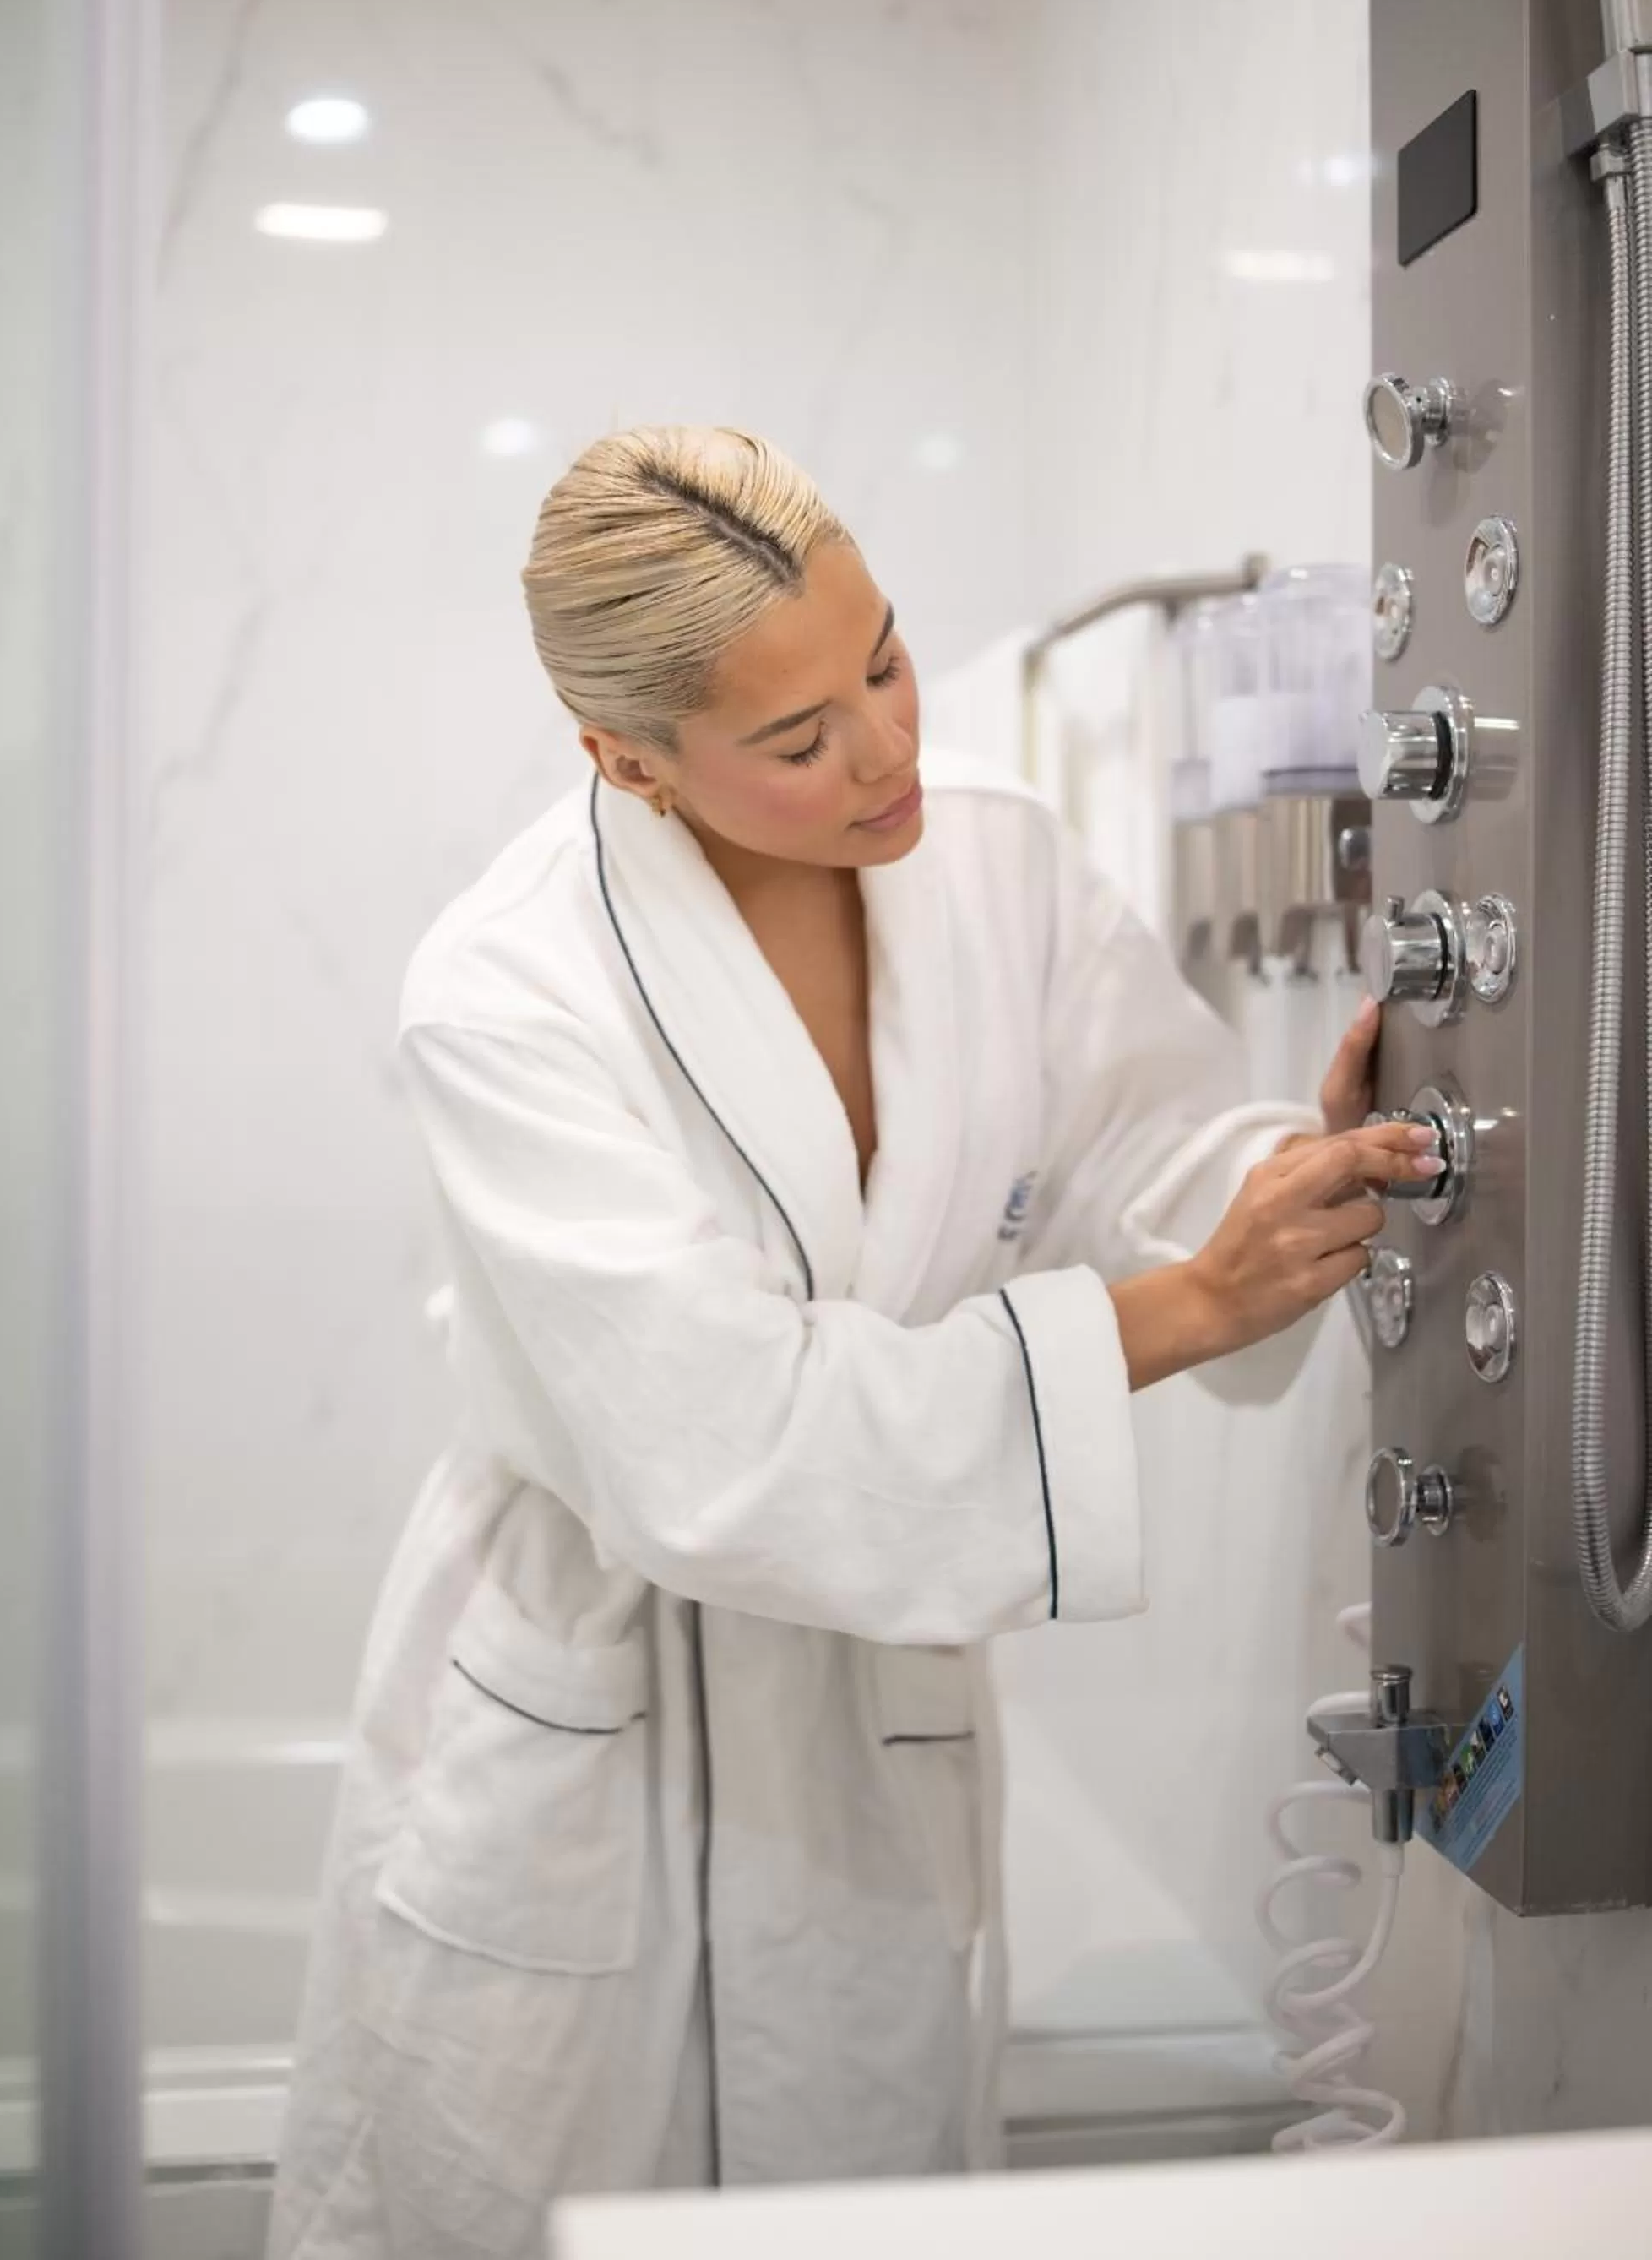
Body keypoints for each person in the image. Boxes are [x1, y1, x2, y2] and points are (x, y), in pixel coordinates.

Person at [268, 427, 1432, 2257]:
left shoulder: (992, 863)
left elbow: (1144, 1140)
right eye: (800, 741)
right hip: (592, 1730)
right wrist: (1179, 1309)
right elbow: (716, 1440)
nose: (885, 749)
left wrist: (1292, 1180)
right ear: (624, 760)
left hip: (869, 1728)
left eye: (882, 658)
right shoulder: (507, 992)